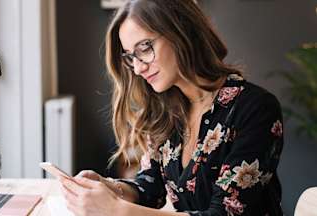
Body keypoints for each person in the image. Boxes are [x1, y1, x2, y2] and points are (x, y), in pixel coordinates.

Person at [59, 0, 284, 215]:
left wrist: (118, 211)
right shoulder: (165, 111)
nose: (137, 68)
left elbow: (224, 213)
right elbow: (150, 189)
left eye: (144, 48)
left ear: (180, 31)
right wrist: (110, 187)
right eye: (131, 57)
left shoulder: (255, 109)